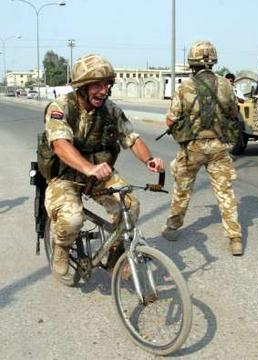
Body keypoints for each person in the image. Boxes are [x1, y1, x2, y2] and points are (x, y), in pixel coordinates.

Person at [42, 54, 164, 276]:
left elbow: (132, 138)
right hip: (65, 177)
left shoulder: (111, 110)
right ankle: (61, 246)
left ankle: (115, 256)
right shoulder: (60, 108)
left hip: (99, 175)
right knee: (72, 219)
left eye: (107, 84)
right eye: (96, 84)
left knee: (131, 206)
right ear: (81, 87)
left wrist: (150, 160)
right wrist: (88, 168)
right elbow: (60, 145)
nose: (103, 90)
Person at [161, 40, 243, 256]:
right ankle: (235, 239)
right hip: (218, 148)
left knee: (182, 190)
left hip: (193, 149)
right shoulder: (226, 85)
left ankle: (172, 228)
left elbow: (171, 120)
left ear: (192, 62)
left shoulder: (185, 87)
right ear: (213, 61)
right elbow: (234, 113)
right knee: (225, 193)